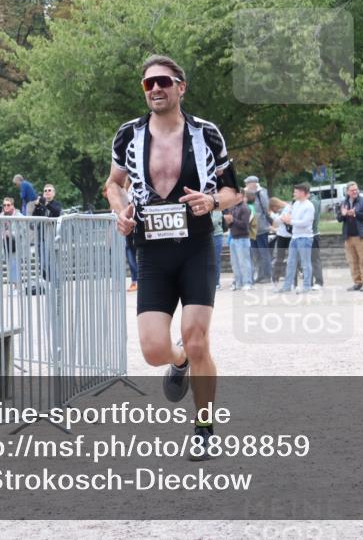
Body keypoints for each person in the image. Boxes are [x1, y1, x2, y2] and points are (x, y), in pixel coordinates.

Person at [105, 54, 238, 458]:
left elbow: (234, 191)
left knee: (199, 340)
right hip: (151, 251)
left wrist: (212, 200)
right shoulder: (128, 136)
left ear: (181, 87)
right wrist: (120, 211)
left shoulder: (206, 134)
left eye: (164, 81)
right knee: (152, 350)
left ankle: (204, 429)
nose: (156, 89)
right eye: (149, 84)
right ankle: (176, 361)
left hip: (197, 247)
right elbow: (113, 185)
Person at [277, 184, 315, 294]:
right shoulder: (296, 204)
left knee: (305, 263)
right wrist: (286, 218)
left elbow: (306, 223)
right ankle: (287, 286)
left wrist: (290, 221)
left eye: (296, 192)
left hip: (305, 237)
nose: (294, 193)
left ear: (302, 193)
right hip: (294, 237)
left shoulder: (309, 206)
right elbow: (292, 217)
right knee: (290, 262)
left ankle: (307, 286)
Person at [337, 182, 363, 292]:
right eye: (352, 190)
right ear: (347, 192)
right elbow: (339, 218)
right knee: (353, 261)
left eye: (356, 189)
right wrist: (343, 214)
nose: (355, 192)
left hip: (361, 236)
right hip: (349, 236)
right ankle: (357, 282)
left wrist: (355, 213)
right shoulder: (344, 202)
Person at [244, 176, 273, 283]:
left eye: (248, 183)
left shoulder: (261, 193)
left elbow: (266, 209)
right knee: (256, 254)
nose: (246, 186)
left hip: (261, 228)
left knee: (264, 253)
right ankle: (260, 275)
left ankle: (267, 275)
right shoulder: (247, 194)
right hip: (251, 229)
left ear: (254, 183)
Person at [0, 196, 24, 295]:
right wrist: (2, 235)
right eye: (4, 205)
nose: (6, 207)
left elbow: (23, 230)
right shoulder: (1, 216)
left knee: (15, 264)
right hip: (5, 244)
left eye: (8, 205)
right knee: (10, 265)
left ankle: (17, 287)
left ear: (13, 206)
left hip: (17, 244)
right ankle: (15, 286)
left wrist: (11, 233)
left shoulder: (19, 216)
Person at [228, 191, 253, 291]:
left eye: (237, 194)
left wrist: (233, 220)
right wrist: (229, 221)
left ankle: (247, 282)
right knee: (235, 263)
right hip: (234, 238)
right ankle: (238, 282)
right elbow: (231, 224)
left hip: (242, 238)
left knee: (244, 262)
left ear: (242, 196)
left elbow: (245, 225)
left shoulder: (245, 208)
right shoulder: (234, 207)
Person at [268, 196, 291, 284]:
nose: (274, 210)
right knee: (279, 257)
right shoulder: (281, 210)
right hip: (281, 235)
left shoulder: (288, 207)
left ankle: (292, 275)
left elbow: (277, 221)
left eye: (273, 208)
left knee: (292, 256)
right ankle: (275, 277)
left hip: (289, 235)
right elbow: (278, 222)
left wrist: (276, 217)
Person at [209, 207, 225, 291]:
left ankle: (216, 283)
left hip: (216, 236)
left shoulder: (217, 208)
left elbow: (214, 222)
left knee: (216, 260)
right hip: (208, 236)